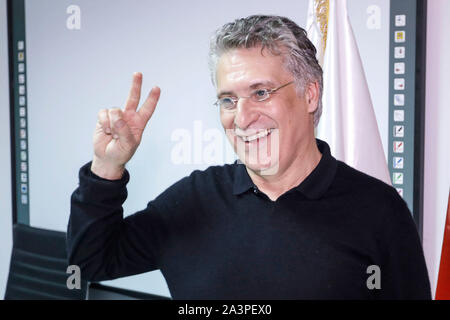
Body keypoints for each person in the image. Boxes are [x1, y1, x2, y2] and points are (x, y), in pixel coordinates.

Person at [67, 15, 431, 299]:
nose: (241, 118)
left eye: (260, 93)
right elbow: (89, 263)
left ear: (310, 95)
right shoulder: (194, 200)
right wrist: (107, 166)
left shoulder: (379, 211)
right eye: (228, 99)